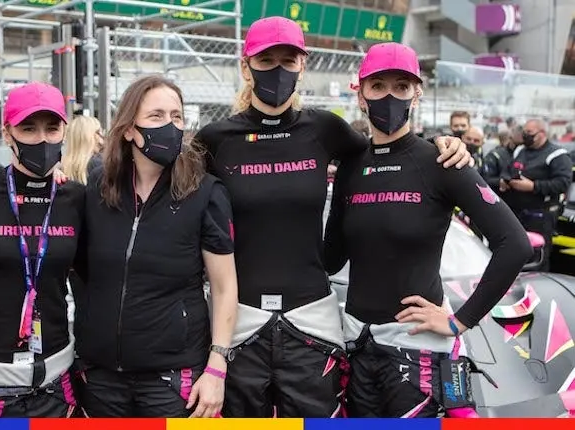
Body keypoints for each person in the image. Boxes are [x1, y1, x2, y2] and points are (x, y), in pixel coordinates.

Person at [194, 16, 470, 418]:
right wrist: (66, 171)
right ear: (245, 66)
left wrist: (444, 146)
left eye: (288, 60)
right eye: (266, 60)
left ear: (303, 66)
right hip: (239, 327)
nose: (278, 70)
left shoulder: (326, 129)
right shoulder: (214, 139)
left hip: (313, 329)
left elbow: (392, 152)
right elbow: (168, 193)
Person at [323, 42, 532, 418]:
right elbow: (331, 257)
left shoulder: (442, 160)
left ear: (417, 93)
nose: (389, 96)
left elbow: (515, 244)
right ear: (361, 95)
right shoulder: (351, 167)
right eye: (378, 86)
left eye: (401, 87)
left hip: (417, 351)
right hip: (355, 344)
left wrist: (459, 320)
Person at [74, 75, 239, 418]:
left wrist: (216, 367)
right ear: (129, 129)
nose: (170, 125)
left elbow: (224, 287)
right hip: (101, 377)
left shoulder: (205, 192)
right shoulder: (98, 190)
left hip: (172, 378)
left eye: (176, 117)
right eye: (156, 116)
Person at [0, 82, 82, 418]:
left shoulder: (77, 198)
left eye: (52, 129)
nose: (42, 139)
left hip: (56, 379)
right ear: (7, 134)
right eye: (28, 128)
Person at [500, 119, 572, 271]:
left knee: (536, 258)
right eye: (524, 132)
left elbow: (563, 183)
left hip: (540, 215)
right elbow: (508, 169)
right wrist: (505, 180)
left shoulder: (557, 155)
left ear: (542, 134)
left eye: (529, 133)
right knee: (513, 256)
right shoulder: (520, 150)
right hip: (516, 213)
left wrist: (534, 186)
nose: (525, 135)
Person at [62, 115, 103, 184]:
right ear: (88, 137)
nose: (101, 138)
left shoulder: (61, 167)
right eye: (98, 132)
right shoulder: (98, 165)